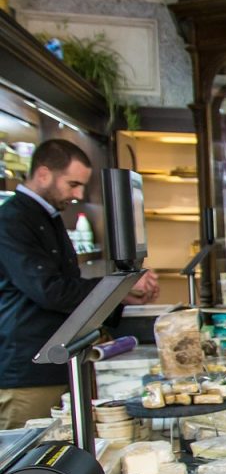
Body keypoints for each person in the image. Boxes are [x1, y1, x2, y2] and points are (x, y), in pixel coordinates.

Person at [0, 139, 159, 429]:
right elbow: (50, 290)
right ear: (44, 174)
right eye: (73, 184)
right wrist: (119, 289)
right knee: (31, 452)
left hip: (55, 360)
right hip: (29, 371)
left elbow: (67, 285)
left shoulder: (46, 216)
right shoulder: (12, 220)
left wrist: (120, 297)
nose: (78, 194)